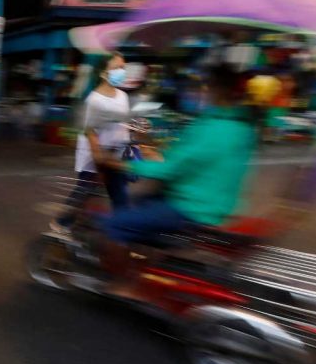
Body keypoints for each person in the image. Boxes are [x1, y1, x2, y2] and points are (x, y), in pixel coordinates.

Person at [99, 65, 256, 299]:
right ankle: (148, 265)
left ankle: (126, 285)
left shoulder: (212, 127)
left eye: (206, 87)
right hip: (217, 203)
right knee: (142, 200)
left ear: (217, 91)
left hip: (191, 207)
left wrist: (120, 164)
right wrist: (151, 145)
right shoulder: (242, 128)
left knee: (114, 224)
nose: (202, 92)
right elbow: (191, 160)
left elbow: (170, 169)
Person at [53, 52, 131, 232]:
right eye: (116, 68)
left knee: (119, 195)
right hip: (96, 158)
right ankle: (61, 225)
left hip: (115, 155)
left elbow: (122, 124)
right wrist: (99, 158)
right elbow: (90, 133)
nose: (121, 71)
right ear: (103, 73)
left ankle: (125, 233)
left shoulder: (122, 96)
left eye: (123, 67)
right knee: (84, 191)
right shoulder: (94, 100)